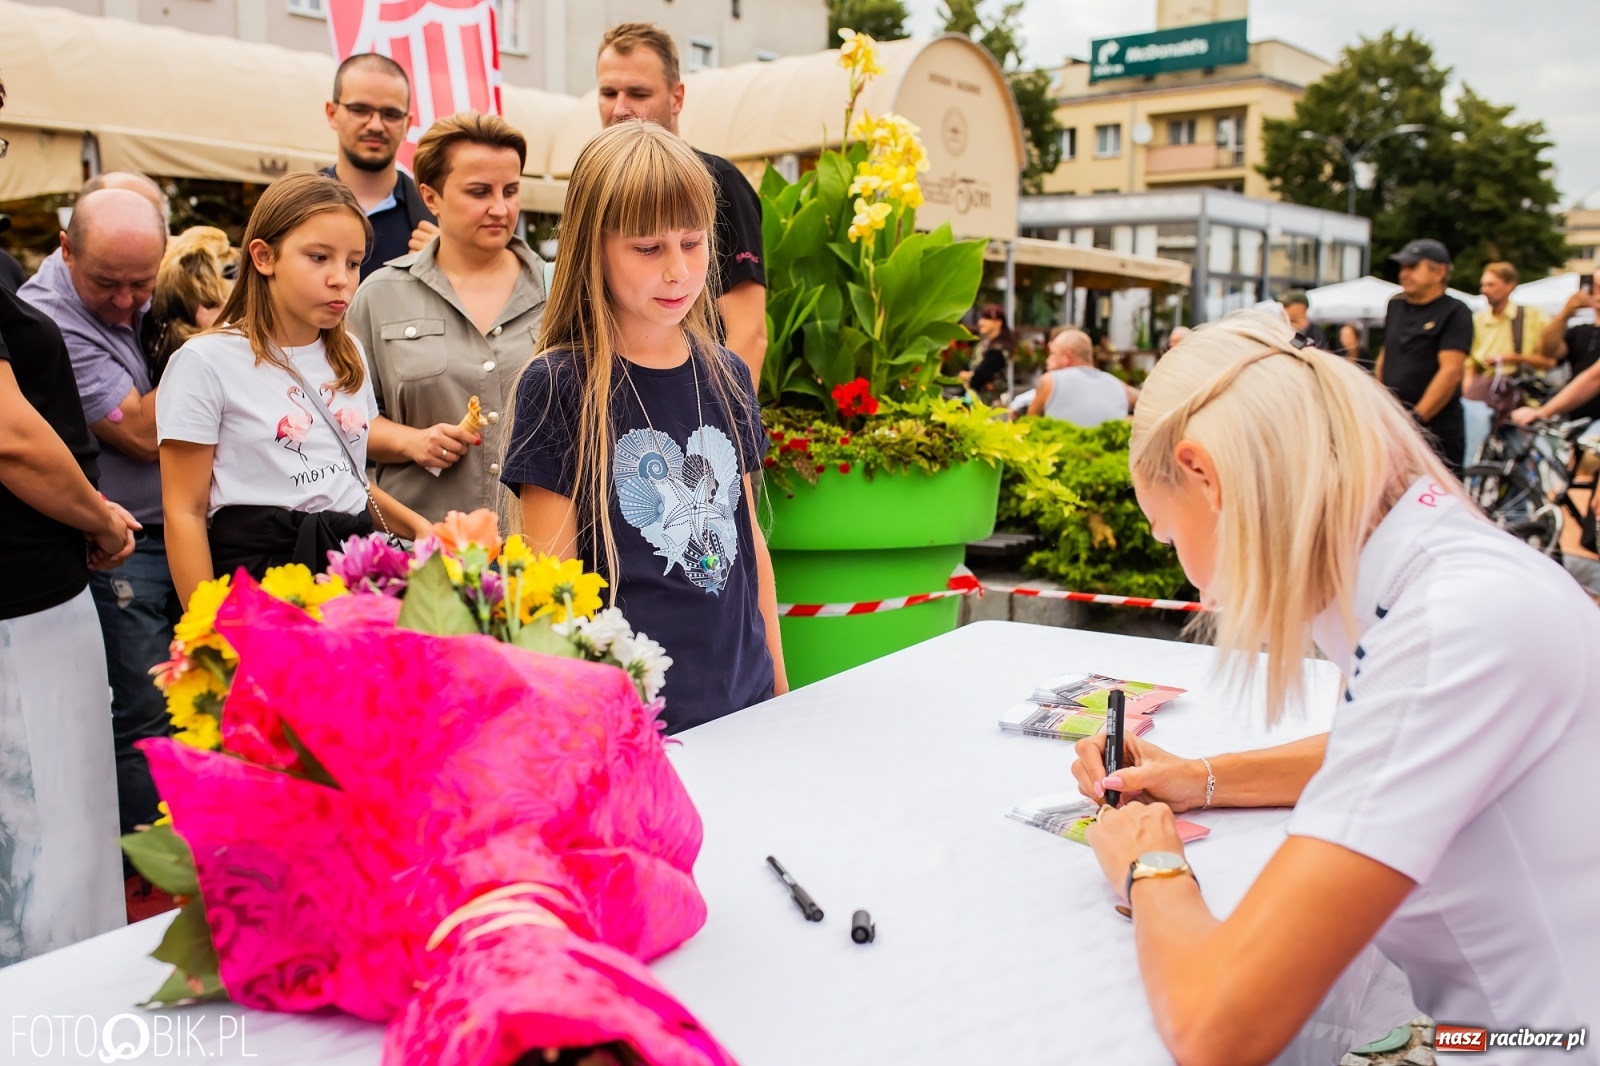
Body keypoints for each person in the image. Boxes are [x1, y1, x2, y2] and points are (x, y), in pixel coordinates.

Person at [1068, 310, 1599, 1065]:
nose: (1185, 569)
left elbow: (1219, 1027)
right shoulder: (1430, 565)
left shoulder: (1457, 623)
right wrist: (1198, 779)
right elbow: (1392, 746)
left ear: (1204, 476)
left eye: (1167, 532)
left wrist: (1149, 867)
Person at [501, 121, 786, 734]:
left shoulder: (728, 373)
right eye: (648, 248)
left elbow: (749, 547)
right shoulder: (559, 385)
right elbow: (552, 591)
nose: (679, 270)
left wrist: (781, 693)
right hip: (633, 730)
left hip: (749, 706)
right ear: (592, 246)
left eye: (693, 241)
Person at [0, 72, 134, 966]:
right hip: (19, 608)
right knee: (44, 849)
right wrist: (99, 518)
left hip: (27, 602)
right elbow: (11, 438)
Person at [157, 173, 430, 606]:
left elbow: (346, 479)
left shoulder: (349, 352)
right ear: (264, 257)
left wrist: (419, 528)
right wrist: (208, 627)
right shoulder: (204, 362)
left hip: (352, 571)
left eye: (354, 262)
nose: (340, 278)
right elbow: (183, 512)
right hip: (258, 580)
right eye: (319, 257)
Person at [17, 186, 174, 838]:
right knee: (144, 713)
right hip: (120, 545)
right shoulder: (45, 319)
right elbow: (138, 432)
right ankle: (149, 874)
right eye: (108, 283)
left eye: (144, 283)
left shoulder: (127, 296)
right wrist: (219, 350)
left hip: (167, 527)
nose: (126, 301)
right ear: (65, 249)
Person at [349, 113, 547, 523]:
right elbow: (342, 423)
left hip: (537, 557)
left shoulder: (560, 290)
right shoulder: (378, 295)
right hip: (421, 551)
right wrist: (411, 442)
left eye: (510, 190)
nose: (500, 207)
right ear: (431, 197)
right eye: (479, 192)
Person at [595, 24, 767, 384]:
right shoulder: (596, 187)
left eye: (638, 93)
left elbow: (748, 333)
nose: (620, 108)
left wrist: (728, 430)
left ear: (677, 97)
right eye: (608, 92)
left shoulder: (718, 182)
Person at [322, 53, 438, 281]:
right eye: (359, 110)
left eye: (391, 114)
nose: (375, 125)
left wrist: (450, 269)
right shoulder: (293, 211)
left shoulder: (437, 216)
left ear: (407, 124)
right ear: (332, 114)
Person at [1374, 239, 1473, 474]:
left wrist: (1415, 420)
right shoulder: (1395, 304)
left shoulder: (1455, 311)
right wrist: (1377, 403)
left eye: (1412, 267)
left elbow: (1450, 371)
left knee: (1438, 501)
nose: (1404, 274)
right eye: (1402, 267)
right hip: (1394, 423)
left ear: (1439, 272)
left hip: (1436, 429)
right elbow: (1386, 353)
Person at [148, 226, 237, 383]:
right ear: (204, 271)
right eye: (225, 252)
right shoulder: (190, 346)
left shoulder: (156, 322)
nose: (234, 253)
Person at [1514, 272, 1600, 429]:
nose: (1597, 295)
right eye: (1595, 288)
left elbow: (1594, 378)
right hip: (1579, 423)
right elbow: (1548, 352)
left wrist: (1544, 411)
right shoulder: (1581, 332)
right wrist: (1565, 313)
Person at [1027, 326, 1138, 426]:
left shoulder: (1050, 380)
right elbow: (1147, 402)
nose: (1048, 360)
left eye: (1053, 354)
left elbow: (1028, 425)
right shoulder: (1118, 385)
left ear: (1068, 357)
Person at [960, 304, 1011, 402]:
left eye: (987, 318)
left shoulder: (1000, 349)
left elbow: (980, 377)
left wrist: (970, 376)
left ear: (998, 323)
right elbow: (966, 370)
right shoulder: (981, 346)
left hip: (989, 404)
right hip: (972, 400)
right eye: (981, 318)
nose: (981, 322)